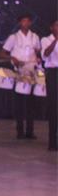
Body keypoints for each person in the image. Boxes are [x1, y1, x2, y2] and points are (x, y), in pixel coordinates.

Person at [0, 13, 41, 140]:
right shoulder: (14, 37)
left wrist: (38, 58)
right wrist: (12, 58)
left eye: (28, 21)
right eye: (23, 21)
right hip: (19, 70)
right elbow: (1, 53)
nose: (26, 23)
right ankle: (20, 130)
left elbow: (38, 52)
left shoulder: (35, 37)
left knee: (30, 103)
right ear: (20, 23)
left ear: (30, 23)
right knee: (19, 102)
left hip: (32, 70)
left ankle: (30, 130)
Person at [41, 19, 58, 151]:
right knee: (54, 107)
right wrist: (56, 40)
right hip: (53, 73)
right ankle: (52, 142)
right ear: (51, 27)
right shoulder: (46, 40)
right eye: (57, 25)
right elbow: (46, 54)